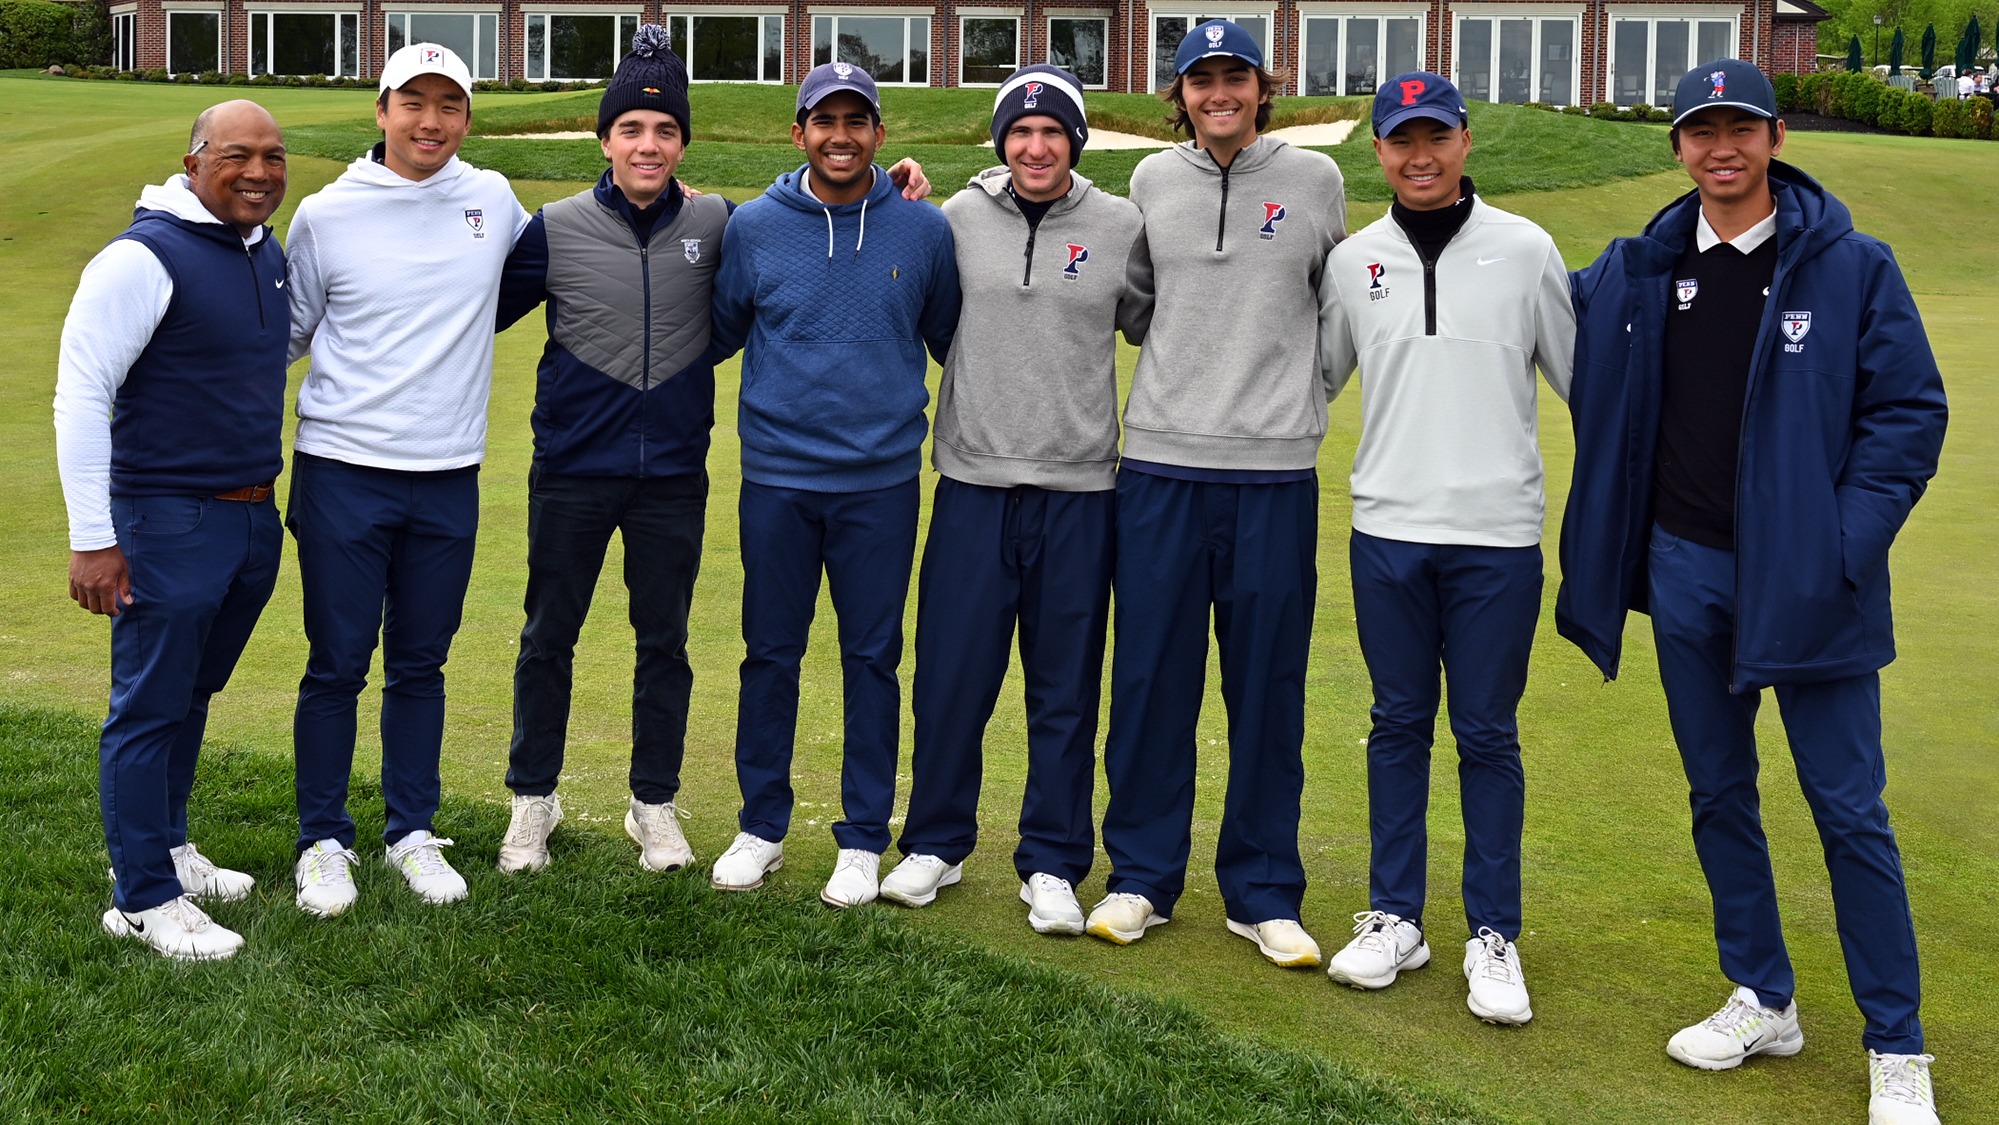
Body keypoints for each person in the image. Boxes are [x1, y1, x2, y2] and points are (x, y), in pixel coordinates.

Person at [1560, 60, 1947, 1125]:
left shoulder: (1851, 265)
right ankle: (1763, 996)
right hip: (1685, 571)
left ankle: (1895, 1042)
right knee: (1719, 796)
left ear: (1774, 138)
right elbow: (1538, 315)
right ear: (1677, 146)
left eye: (1739, 127)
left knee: (1847, 813)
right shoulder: (1641, 268)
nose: (1718, 146)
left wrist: (1839, 545)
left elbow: (1909, 416)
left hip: (1812, 585)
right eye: (1699, 130)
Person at [1087, 20, 1346, 968]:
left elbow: (1335, 304)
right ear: (1181, 93)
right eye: (1201, 80)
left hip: (1274, 472)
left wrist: (1297, 397)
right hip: (1157, 466)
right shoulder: (1152, 181)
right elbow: (1139, 304)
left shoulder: (1315, 181)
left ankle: (1263, 890)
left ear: (1261, 86)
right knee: (1153, 677)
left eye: (1234, 75)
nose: (1218, 93)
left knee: (1265, 687)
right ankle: (1141, 878)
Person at [1316, 73, 1574, 1025]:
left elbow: (1584, 383)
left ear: (1465, 141)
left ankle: (1492, 933)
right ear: (1377, 151)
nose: (1416, 155)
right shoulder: (1353, 261)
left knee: (1486, 733)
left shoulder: (1525, 249)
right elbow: (1312, 378)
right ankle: (1395, 916)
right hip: (1385, 529)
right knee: (1395, 724)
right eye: (1398, 140)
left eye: (1434, 136)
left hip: (1497, 537)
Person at [878, 65, 1144, 933]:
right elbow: (916, 291)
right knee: (952, 676)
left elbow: (1157, 319)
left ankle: (1054, 861)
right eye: (1021, 132)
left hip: (1080, 489)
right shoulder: (953, 219)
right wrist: (896, 194)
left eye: (1053, 132)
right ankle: (935, 843)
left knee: (1063, 686)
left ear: (1075, 140)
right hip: (971, 481)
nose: (1036, 147)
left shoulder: (1118, 227)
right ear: (1002, 141)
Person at [284, 42, 530, 915]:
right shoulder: (325, 212)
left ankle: (410, 832)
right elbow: (288, 333)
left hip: (448, 472)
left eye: (450, 106)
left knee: (421, 662)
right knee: (338, 664)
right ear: (381, 110)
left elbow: (571, 252)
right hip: (343, 467)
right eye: (413, 103)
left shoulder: (492, 199)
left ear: (467, 117)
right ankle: (323, 840)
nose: (431, 122)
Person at [707, 62, 961, 909]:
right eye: (825, 120)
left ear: (880, 134)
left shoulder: (922, 231)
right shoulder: (754, 226)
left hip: (880, 485)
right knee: (769, 653)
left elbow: (946, 334)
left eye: (857, 120)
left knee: (871, 659)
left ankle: (861, 838)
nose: (841, 135)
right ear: (798, 133)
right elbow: (722, 330)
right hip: (777, 478)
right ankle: (761, 826)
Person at [490, 27, 730, 876]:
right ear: (605, 139)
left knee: (662, 641)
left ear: (682, 143)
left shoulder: (715, 220)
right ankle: (533, 798)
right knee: (548, 636)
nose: (648, 144)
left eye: (665, 131)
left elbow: (786, 244)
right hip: (571, 470)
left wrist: (895, 186)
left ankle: (653, 804)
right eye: (631, 129)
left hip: (670, 475)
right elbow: (473, 317)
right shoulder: (552, 228)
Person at [55, 101, 289, 960]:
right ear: (193, 160)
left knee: (191, 694)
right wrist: (93, 537)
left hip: (251, 513)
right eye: (236, 155)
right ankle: (142, 896)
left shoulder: (262, 253)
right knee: (148, 706)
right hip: (165, 518)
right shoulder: (140, 258)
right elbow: (81, 393)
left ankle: (171, 848)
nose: (259, 171)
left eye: (273, 155)